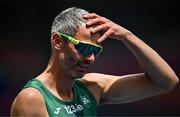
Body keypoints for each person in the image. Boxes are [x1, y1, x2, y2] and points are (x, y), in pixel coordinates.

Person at [11, 7, 179, 116]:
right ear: (57, 41)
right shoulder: (33, 99)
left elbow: (167, 82)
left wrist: (127, 36)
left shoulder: (92, 87)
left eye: (96, 50)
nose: (91, 58)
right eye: (84, 48)